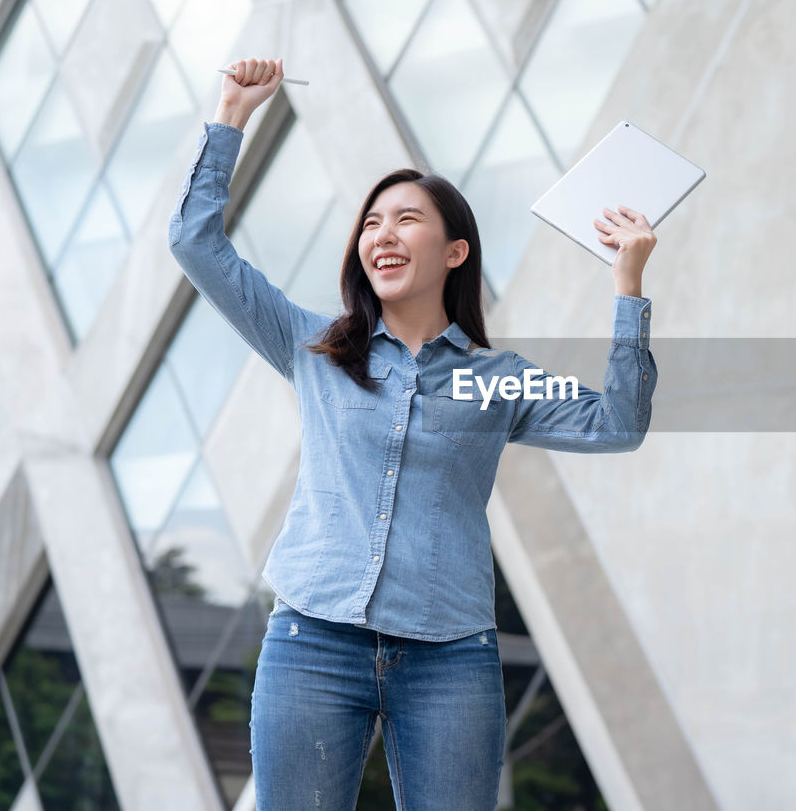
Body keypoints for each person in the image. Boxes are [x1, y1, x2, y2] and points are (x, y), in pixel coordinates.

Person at [167, 57, 658, 809]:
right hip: (313, 642)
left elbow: (617, 423)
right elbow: (198, 246)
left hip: (450, 658)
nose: (382, 233)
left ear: (454, 251)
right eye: (371, 221)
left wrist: (628, 285)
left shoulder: (495, 379)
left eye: (406, 218)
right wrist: (232, 114)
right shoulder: (317, 348)